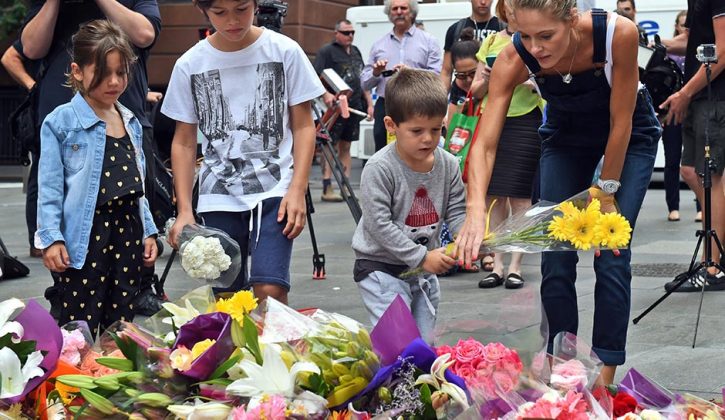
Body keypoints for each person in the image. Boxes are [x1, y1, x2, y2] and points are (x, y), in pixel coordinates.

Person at [456, 0, 660, 384]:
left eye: (546, 36)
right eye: (526, 36)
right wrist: (474, 210)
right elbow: (484, 143)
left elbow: (621, 124)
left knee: (611, 251)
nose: (536, 48)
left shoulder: (618, 34)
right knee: (555, 255)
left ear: (571, 19)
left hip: (629, 137)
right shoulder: (515, 55)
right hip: (566, 138)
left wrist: (606, 191)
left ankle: (604, 379)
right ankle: (562, 368)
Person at [162, 0, 325, 304]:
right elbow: (183, 141)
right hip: (218, 191)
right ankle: (236, 352)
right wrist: (184, 209)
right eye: (220, 13)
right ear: (203, 11)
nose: (233, 20)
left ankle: (272, 350)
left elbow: (304, 126)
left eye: (241, 9)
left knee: (270, 289)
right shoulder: (190, 64)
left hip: (275, 186)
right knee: (225, 290)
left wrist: (297, 189)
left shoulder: (284, 51)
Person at [20, 0, 161, 316]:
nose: (113, 82)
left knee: (121, 327)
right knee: (78, 327)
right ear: (78, 72)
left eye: (121, 73)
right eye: (103, 72)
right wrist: (51, 238)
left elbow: (137, 188)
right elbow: (50, 189)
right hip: (84, 242)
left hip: (127, 239)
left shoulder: (130, 120)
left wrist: (149, 231)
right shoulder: (60, 122)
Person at [352, 68, 466, 343]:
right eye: (417, 130)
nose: (428, 138)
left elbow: (457, 209)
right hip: (381, 268)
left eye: (436, 129)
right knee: (399, 344)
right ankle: (392, 384)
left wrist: (466, 239)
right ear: (391, 126)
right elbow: (379, 225)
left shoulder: (448, 163)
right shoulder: (380, 168)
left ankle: (414, 385)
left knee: (424, 343)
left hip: (422, 271)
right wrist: (423, 257)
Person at [470, 0, 544, 290]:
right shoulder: (490, 42)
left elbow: (545, 85)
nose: (513, 10)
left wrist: (526, 81)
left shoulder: (531, 42)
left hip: (526, 121)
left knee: (521, 198)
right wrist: (488, 78)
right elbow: (474, 90)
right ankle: (497, 266)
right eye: (510, 6)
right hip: (494, 121)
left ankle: (516, 266)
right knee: (495, 196)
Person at [660, 0, 725, 292]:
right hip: (700, 95)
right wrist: (652, 43)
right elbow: (690, 42)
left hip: (714, 95)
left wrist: (685, 93)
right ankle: (712, 258)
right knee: (689, 170)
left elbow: (722, 51)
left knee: (710, 177)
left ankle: (713, 267)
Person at [361, 0, 442, 152]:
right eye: (394, 8)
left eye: (403, 8)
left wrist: (411, 73)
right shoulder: (379, 44)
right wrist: (376, 73)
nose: (399, 12)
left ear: (411, 12)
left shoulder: (429, 41)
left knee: (415, 148)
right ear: (389, 13)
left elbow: (436, 76)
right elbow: (364, 83)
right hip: (385, 105)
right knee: (383, 150)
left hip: (418, 104)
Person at [313, 19, 373, 203]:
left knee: (346, 145)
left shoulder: (355, 52)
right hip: (335, 107)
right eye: (346, 32)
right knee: (330, 145)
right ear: (336, 33)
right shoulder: (327, 51)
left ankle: (345, 186)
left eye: (352, 32)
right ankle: (327, 186)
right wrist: (326, 95)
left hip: (354, 106)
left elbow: (362, 80)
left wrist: (370, 103)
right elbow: (315, 76)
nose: (350, 36)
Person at [1, 41, 41, 258]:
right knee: (42, 169)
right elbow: (9, 57)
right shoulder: (41, 30)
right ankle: (37, 241)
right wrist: (33, 86)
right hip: (42, 110)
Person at [659, 10, 688, 223]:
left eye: (689, 26)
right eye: (683, 25)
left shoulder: (698, 52)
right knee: (672, 159)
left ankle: (701, 207)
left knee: (698, 162)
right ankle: (673, 206)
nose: (686, 29)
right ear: (677, 27)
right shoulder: (667, 54)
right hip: (671, 111)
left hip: (694, 108)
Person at [440, 0, 503, 90]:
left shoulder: (502, 28)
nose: (483, 2)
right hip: (461, 93)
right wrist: (442, 98)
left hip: (492, 90)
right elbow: (446, 71)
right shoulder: (456, 29)